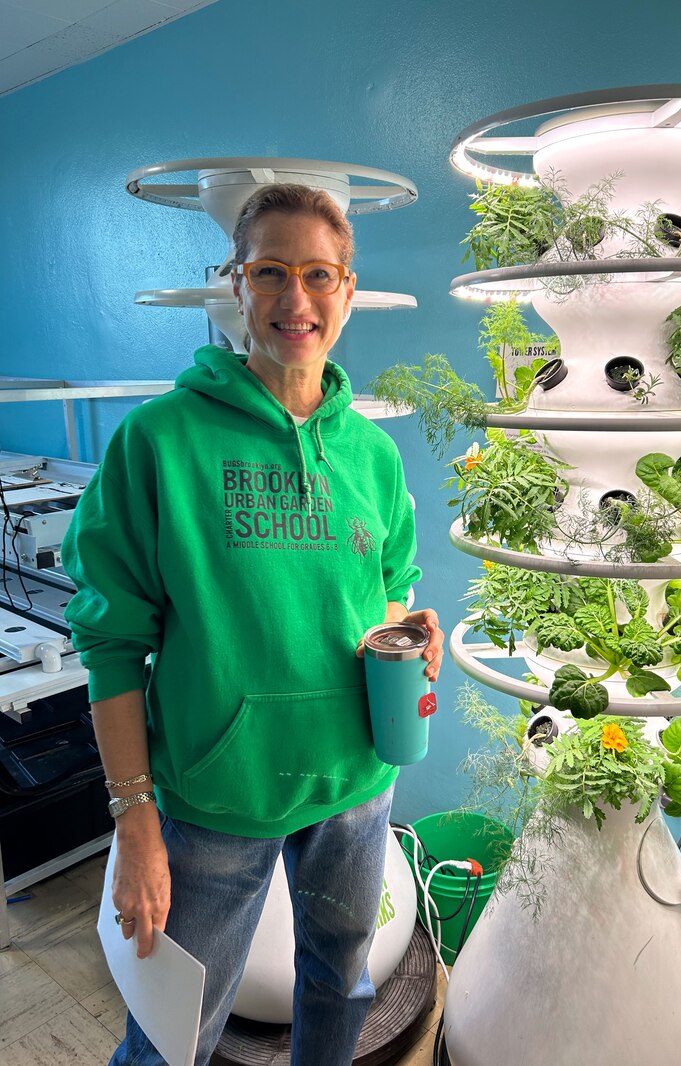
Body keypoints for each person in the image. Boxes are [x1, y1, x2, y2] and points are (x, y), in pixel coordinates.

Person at [62, 182, 443, 1066]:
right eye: (271, 272)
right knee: (170, 1038)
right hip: (212, 800)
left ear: (348, 290)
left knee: (341, 986)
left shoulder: (373, 454)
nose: (296, 300)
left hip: (355, 785)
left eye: (319, 275)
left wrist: (399, 633)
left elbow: (390, 583)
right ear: (236, 284)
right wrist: (134, 820)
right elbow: (111, 642)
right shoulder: (158, 441)